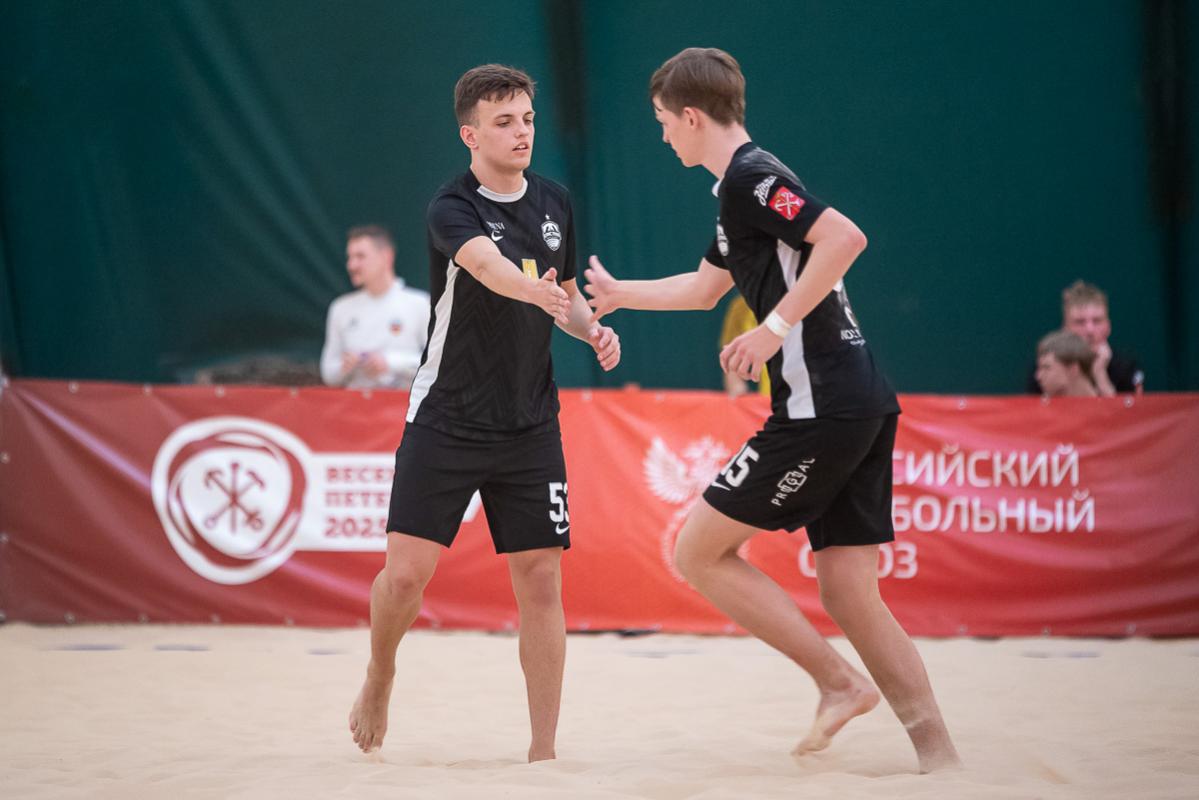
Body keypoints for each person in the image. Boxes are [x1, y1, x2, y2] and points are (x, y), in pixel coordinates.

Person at [584, 47, 960, 773]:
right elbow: (704, 290)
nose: (662, 135)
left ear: (692, 117)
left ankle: (838, 683)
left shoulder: (750, 179)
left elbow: (845, 238)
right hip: (857, 398)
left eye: (663, 121)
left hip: (823, 405)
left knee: (696, 551)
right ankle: (940, 760)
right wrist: (622, 294)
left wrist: (774, 327)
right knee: (849, 592)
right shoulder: (742, 188)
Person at [348, 64, 620, 763]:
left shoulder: (555, 200)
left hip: (529, 421)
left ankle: (543, 752)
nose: (521, 132)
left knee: (541, 577)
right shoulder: (452, 206)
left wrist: (591, 329)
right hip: (446, 416)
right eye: (504, 122)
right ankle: (380, 674)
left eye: (527, 118)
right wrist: (543, 295)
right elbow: (494, 272)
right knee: (404, 577)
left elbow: (564, 295)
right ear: (470, 134)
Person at [320, 225, 431, 389]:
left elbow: (438, 364)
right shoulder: (341, 308)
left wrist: (390, 362)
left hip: (403, 402)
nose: (352, 265)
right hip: (354, 403)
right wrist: (345, 366)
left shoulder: (420, 304)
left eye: (360, 256)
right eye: (350, 257)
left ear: (386, 257)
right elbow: (328, 373)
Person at [1024, 279, 1143, 396]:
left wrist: (1100, 375)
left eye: (1097, 321)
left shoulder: (1125, 367)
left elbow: (1132, 408)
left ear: (1108, 326)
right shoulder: (1045, 368)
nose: (1089, 330)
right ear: (1065, 328)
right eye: (1080, 322)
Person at [719, 293, 770, 397]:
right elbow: (730, 355)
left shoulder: (797, 300)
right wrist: (737, 387)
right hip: (769, 398)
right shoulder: (740, 306)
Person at [1034, 329, 1099, 397]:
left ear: (1073, 370)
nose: (1038, 377)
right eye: (1040, 368)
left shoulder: (1103, 403)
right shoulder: (1042, 402)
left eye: (1046, 367)